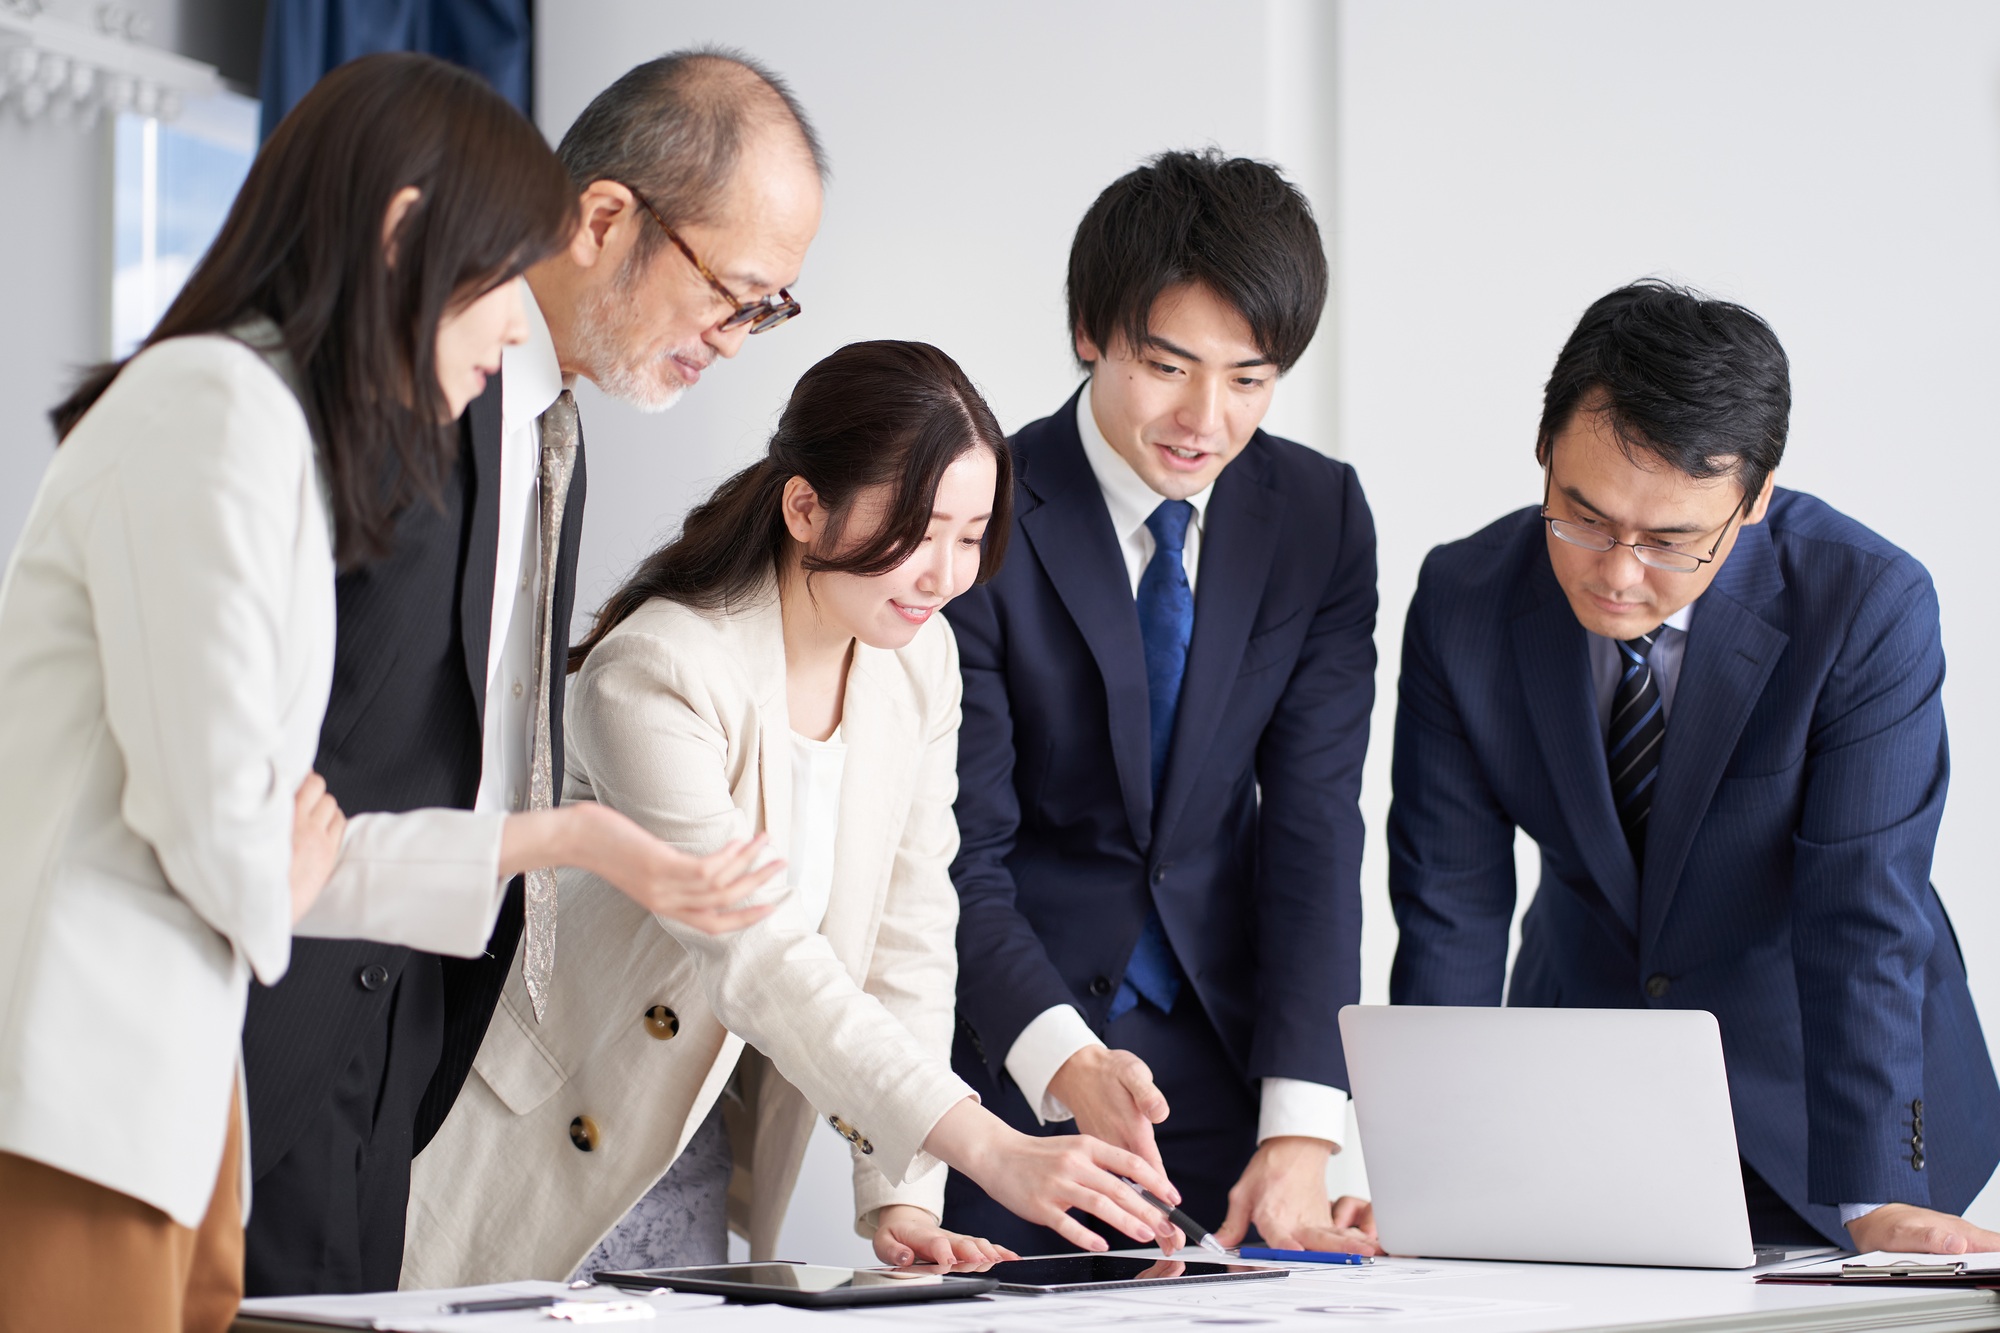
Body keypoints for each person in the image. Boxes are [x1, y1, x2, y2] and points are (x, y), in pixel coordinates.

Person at [0, 54, 774, 1332]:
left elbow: (288, 850)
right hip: (94, 1092)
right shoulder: (217, 406)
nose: (519, 325)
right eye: (498, 283)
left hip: (174, 1108)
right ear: (409, 235)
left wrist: (564, 840)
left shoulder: (266, 427)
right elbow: (236, 854)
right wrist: (273, 851)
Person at [404, 341, 1187, 1286]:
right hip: (548, 1119)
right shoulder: (658, 670)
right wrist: (991, 1145)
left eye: (973, 533)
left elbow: (910, 935)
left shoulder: (918, 662)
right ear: (805, 506)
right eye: (918, 528)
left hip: (695, 1139)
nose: (945, 572)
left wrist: (903, 1191)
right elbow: (760, 952)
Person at [240, 48, 823, 1295]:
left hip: (408, 1028)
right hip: (274, 1009)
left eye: (770, 313)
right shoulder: (400, 382)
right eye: (736, 294)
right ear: (607, 218)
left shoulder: (554, 427)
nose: (737, 341)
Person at [1388, 280, 2000, 1253]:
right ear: (1543, 451)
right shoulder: (1462, 598)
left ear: (1753, 499)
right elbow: (1448, 907)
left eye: (1670, 539)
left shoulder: (1863, 604)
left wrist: (1875, 1195)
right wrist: (1426, 1167)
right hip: (1583, 1087)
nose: (1615, 570)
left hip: (1825, 1090)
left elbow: (1861, 911)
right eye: (1579, 515)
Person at [942, 150, 1380, 1256]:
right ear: (1090, 330)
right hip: (1019, 1073)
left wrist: (1301, 1130)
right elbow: (958, 853)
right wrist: (1060, 1059)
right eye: (1166, 364)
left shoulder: (1318, 516)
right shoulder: (977, 507)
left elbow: (1314, 823)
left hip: (1230, 1067)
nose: (1204, 419)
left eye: (1249, 377)